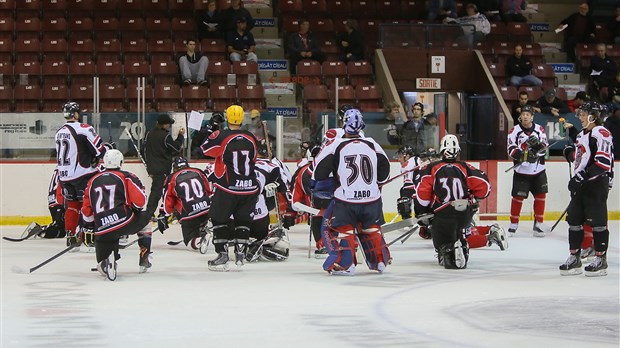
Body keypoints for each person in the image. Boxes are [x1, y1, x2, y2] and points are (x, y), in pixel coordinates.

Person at [312, 109, 391, 276]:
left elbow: (318, 173)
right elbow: (385, 170)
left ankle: (345, 264)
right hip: (373, 200)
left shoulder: (336, 145)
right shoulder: (372, 143)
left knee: (340, 229)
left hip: (346, 201)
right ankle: (380, 260)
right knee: (371, 228)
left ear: (343, 124)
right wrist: (374, 184)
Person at [414, 134, 491, 269]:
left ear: (442, 149)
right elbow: (485, 187)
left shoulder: (432, 168)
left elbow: (422, 195)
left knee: (441, 244)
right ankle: (462, 246)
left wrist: (423, 211)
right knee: (462, 234)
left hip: (442, 214)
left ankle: (447, 249)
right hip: (464, 214)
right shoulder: (466, 167)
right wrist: (475, 197)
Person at [200, 104, 260, 271]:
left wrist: (211, 130)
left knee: (219, 219)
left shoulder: (222, 135)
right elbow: (254, 157)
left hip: (228, 187)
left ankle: (223, 256)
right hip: (249, 187)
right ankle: (240, 254)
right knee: (243, 221)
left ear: (227, 118)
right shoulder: (250, 137)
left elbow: (205, 149)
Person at [559, 102, 614, 276]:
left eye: (584, 115)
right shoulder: (583, 134)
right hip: (583, 182)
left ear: (593, 116)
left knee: (597, 222)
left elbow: (602, 164)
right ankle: (574, 257)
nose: (581, 118)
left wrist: (581, 178)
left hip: (596, 182)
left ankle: (601, 259)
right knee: (574, 219)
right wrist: (570, 154)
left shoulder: (601, 132)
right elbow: (583, 157)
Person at [81, 149, 154, 276]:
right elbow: (140, 202)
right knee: (146, 219)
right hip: (124, 222)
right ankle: (144, 256)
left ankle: (107, 261)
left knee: (102, 267)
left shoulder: (92, 181)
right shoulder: (127, 176)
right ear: (120, 162)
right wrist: (134, 209)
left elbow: (86, 211)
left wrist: (88, 228)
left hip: (102, 229)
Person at [55, 101, 105, 249]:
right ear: (76, 114)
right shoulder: (84, 128)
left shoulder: (59, 132)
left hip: (64, 177)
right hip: (83, 174)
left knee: (72, 205)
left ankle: (71, 237)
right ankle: (89, 237)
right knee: (89, 204)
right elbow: (99, 150)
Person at [506, 105, 549, 237]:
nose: (525, 116)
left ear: (532, 116)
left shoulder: (539, 129)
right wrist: (524, 155)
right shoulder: (514, 130)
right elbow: (510, 148)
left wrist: (537, 146)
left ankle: (538, 224)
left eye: (528, 114)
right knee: (518, 197)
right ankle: (513, 224)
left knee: (541, 196)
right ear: (520, 116)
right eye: (523, 114)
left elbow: (544, 147)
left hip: (539, 170)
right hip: (521, 171)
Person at [158, 156, 212, 250]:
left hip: (189, 214)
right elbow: (208, 190)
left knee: (191, 242)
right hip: (206, 210)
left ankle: (198, 239)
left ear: (174, 167)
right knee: (200, 216)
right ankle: (202, 229)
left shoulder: (171, 178)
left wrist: (164, 215)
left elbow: (168, 200)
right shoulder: (198, 172)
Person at [143, 114, 185, 217]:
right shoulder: (165, 136)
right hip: (162, 168)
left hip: (152, 168)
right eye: (168, 124)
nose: (169, 126)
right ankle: (150, 213)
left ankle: (155, 212)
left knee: (157, 191)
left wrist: (149, 165)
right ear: (164, 124)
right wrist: (180, 136)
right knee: (158, 192)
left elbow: (144, 150)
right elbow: (175, 148)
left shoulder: (149, 134)